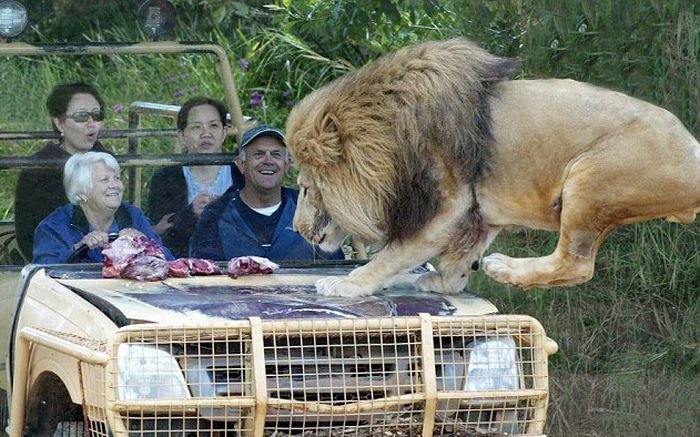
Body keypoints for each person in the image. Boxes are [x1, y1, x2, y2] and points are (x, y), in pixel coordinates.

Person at [189, 125, 345, 261]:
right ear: (241, 164)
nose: (268, 160)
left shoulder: (312, 208)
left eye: (276, 154)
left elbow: (334, 269)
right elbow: (204, 277)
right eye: (259, 154)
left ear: (287, 164)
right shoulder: (215, 215)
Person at [14, 82, 110, 261]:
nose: (92, 124)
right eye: (81, 117)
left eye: (97, 116)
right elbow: (30, 238)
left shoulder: (105, 158)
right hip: (59, 263)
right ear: (59, 123)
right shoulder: (39, 169)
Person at [33, 152, 173, 264]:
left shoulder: (133, 216)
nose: (115, 185)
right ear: (82, 193)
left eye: (117, 178)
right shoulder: (54, 226)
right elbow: (41, 273)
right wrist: (78, 248)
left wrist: (144, 243)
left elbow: (170, 262)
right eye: (105, 180)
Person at [147, 96, 244, 257]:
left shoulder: (243, 173)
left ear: (224, 132)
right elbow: (160, 235)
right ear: (181, 135)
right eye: (196, 127)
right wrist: (191, 213)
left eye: (214, 125)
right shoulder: (165, 178)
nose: (206, 134)